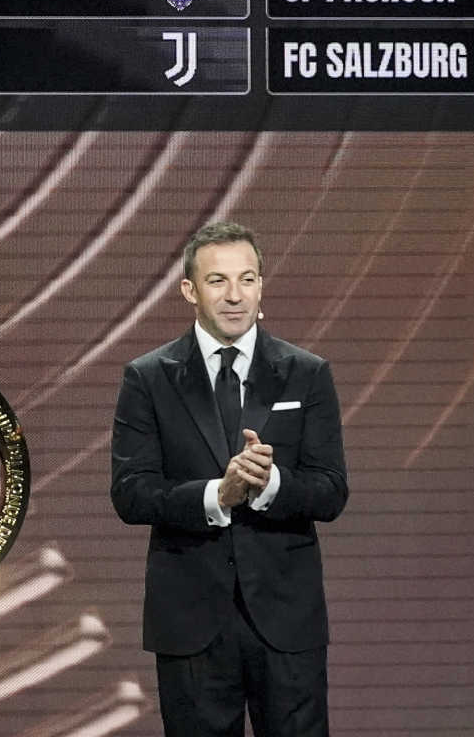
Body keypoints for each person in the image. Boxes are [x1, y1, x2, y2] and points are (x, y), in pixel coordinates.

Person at [111, 220, 348, 737]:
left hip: (287, 622)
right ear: (189, 291)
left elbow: (331, 489)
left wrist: (271, 485)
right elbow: (131, 493)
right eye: (218, 281)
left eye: (247, 279)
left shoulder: (306, 373)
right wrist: (217, 495)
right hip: (191, 624)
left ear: (262, 285)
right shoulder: (148, 378)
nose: (235, 295)